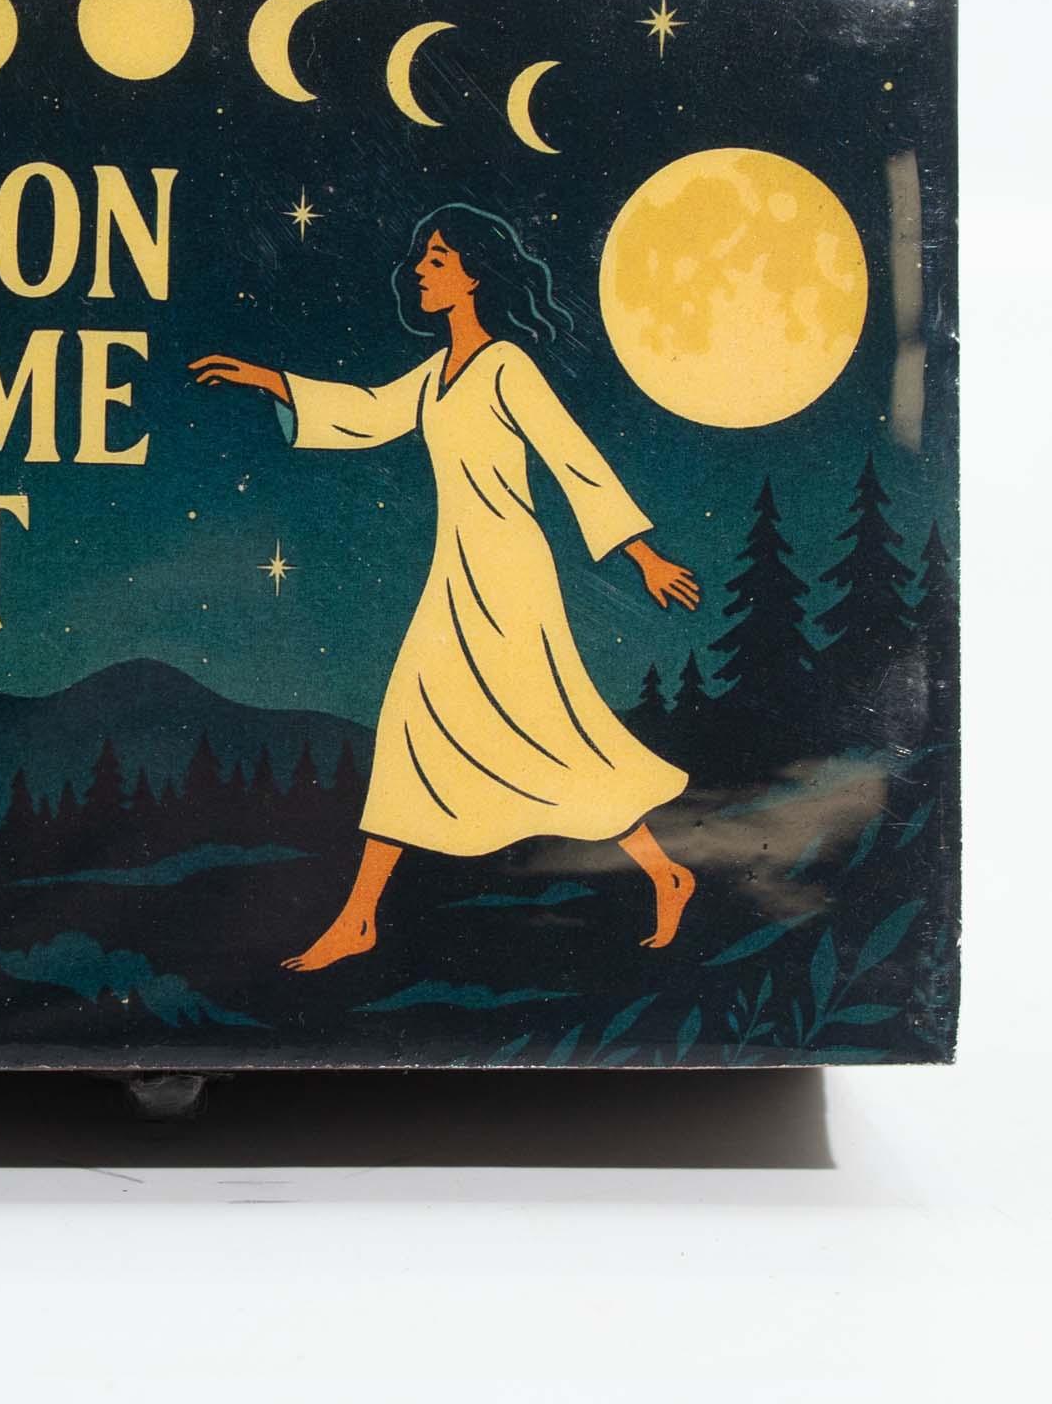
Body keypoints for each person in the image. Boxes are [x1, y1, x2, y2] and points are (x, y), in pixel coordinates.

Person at [191, 204, 701, 972]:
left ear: (474, 275)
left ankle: (663, 872)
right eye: (423, 258)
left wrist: (643, 556)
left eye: (436, 259)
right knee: (422, 722)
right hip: (457, 568)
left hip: (510, 574)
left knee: (541, 725)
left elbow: (572, 457)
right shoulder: (435, 375)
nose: (420, 271)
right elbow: (368, 413)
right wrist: (268, 379)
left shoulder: (505, 367)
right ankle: (364, 917)